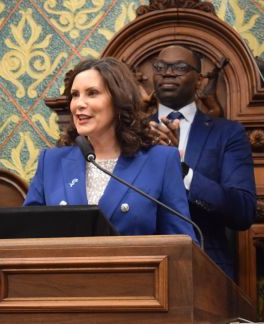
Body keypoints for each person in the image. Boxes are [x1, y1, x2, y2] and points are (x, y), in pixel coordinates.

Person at [24, 58, 197, 242]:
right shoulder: (51, 162)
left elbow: (183, 245)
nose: (79, 104)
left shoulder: (160, 161)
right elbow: (25, 237)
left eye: (92, 93)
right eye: (75, 95)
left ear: (118, 100)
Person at [149, 45, 256, 279]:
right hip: (143, 265)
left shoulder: (227, 133)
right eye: (160, 67)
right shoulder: (132, 133)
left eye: (179, 67)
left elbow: (243, 210)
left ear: (199, 80)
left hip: (208, 268)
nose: (168, 72)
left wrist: (180, 169)